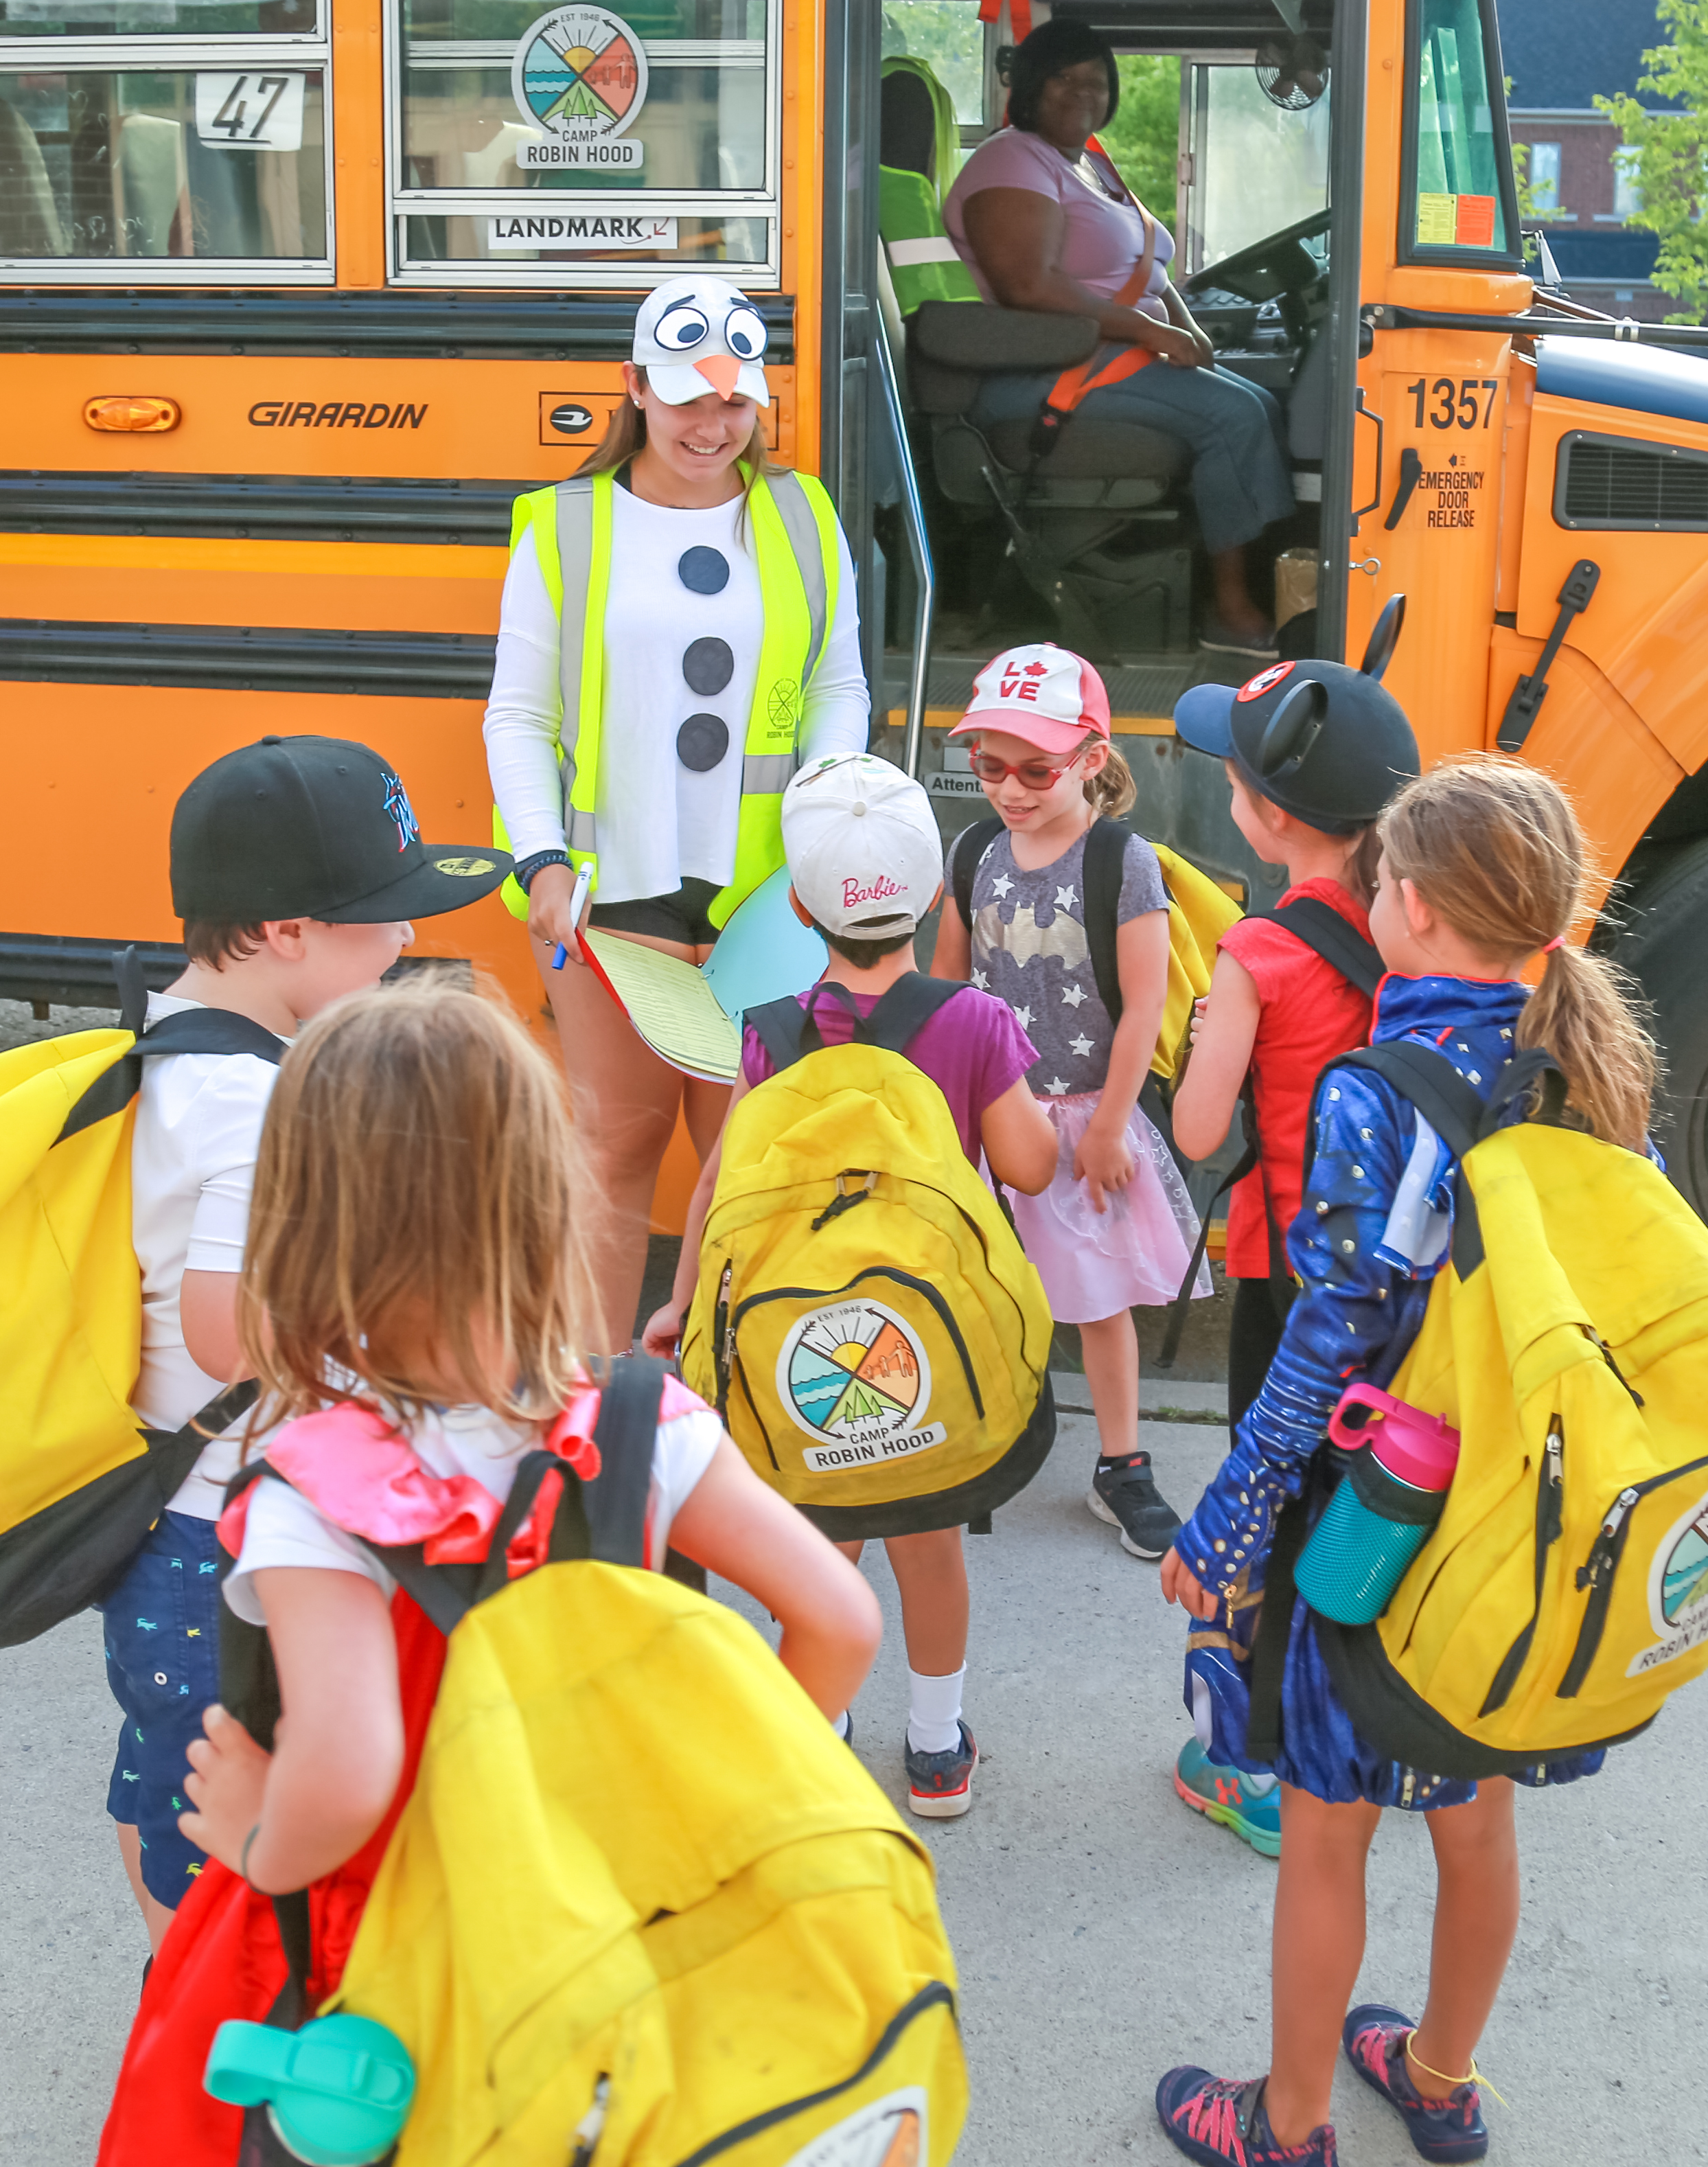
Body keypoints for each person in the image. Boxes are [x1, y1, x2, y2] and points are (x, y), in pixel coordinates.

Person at [1155, 754, 1661, 2167]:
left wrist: (1227, 1527)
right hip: (1523, 1524)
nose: (1368, 893)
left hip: (1386, 1522)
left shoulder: (1378, 1089)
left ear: (1419, 908)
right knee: (1474, 1813)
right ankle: (1439, 2081)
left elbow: (1328, 1344)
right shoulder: (1590, 1068)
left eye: (1379, 880)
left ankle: (1290, 2120)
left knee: (1326, 1830)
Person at [175, 978, 879, 1914]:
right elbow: (842, 1622)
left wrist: (258, 1842)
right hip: (621, 1924)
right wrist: (721, 1808)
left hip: (432, 1953)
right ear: (544, 1199)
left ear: (304, 1225)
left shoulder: (311, 1493)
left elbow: (347, 1775)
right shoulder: (645, 1425)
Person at [109, 734, 509, 1953]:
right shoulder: (258, 1104)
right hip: (227, 1534)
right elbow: (230, 1330)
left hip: (161, 1516)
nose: (401, 945)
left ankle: (175, 1981)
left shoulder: (162, 1047)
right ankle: (215, 2031)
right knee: (246, 1806)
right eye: (376, 921)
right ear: (283, 933)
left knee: (166, 1773)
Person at [647, 752, 1055, 1817]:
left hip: (806, 1352)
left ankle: (821, 1728)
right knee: (931, 1544)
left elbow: (724, 1184)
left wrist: (682, 1300)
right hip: (927, 1345)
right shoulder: (971, 1024)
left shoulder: (771, 1032)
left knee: (823, 1543)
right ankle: (934, 1747)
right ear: (931, 896)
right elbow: (1029, 1167)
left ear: (796, 906)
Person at [483, 274, 869, 1349]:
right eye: (689, 400)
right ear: (634, 390)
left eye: (736, 402)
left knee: (753, 1169)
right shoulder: (564, 528)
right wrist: (542, 859)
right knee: (611, 1161)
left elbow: (840, 686)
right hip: (619, 904)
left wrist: (823, 832)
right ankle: (605, 1417)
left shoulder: (801, 515)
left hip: (768, 908)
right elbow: (516, 716)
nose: (714, 425)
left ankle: (732, 1420)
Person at [1162, 653, 1420, 1858]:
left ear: (1265, 817)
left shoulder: (1255, 954)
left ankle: (1246, 1761)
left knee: (1264, 1504)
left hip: (1287, 1281)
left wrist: (1212, 1022)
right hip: (1405, 1279)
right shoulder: (1422, 926)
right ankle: (1368, 1719)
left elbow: (1201, 1130)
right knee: (1364, 1496)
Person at [928, 643, 1195, 1559]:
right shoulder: (972, 852)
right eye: (989, 765)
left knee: (1100, 1299)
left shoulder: (1123, 863)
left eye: (1035, 769)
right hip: (998, 1115)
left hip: (1087, 1113)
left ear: (1090, 757)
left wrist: (1113, 1124)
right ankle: (982, 1439)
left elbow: (1145, 1004)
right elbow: (949, 987)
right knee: (985, 1289)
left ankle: (1122, 1464)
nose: (1009, 788)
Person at [943, 15, 1293, 656]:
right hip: (1043, 375)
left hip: (1105, 356)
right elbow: (1029, 286)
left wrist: (1185, 328)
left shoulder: (1088, 167)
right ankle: (1232, 612)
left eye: (1097, 81)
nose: (1083, 92)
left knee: (1266, 403)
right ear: (1027, 86)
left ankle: (1281, 586)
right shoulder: (1011, 159)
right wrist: (1150, 333)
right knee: (1235, 417)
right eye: (1063, 79)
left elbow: (1147, 275)